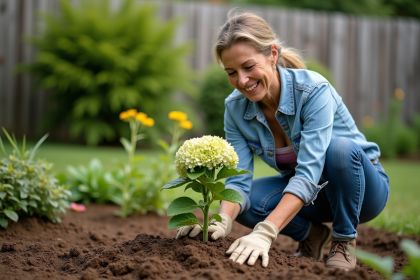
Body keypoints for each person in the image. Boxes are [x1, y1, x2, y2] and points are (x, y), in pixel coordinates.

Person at [176, 11, 390, 271]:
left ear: (273, 55)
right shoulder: (234, 108)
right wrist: (221, 221)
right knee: (241, 199)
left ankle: (344, 240)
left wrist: (266, 232)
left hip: (362, 192)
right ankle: (312, 234)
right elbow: (238, 179)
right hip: (313, 198)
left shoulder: (313, 91)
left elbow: (310, 172)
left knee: (339, 150)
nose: (241, 81)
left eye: (248, 66)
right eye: (231, 72)